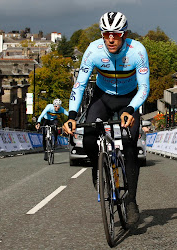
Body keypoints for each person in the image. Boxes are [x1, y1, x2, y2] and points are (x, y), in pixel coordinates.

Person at [62, 11, 150, 227]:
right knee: (89, 138)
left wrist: (131, 109)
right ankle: (97, 167)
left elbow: (144, 87)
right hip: (103, 98)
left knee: (130, 143)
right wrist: (72, 116)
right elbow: (79, 85)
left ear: (124, 34)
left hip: (129, 99)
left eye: (116, 34)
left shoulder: (137, 51)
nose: (111, 39)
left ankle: (130, 201)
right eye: (106, 34)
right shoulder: (93, 51)